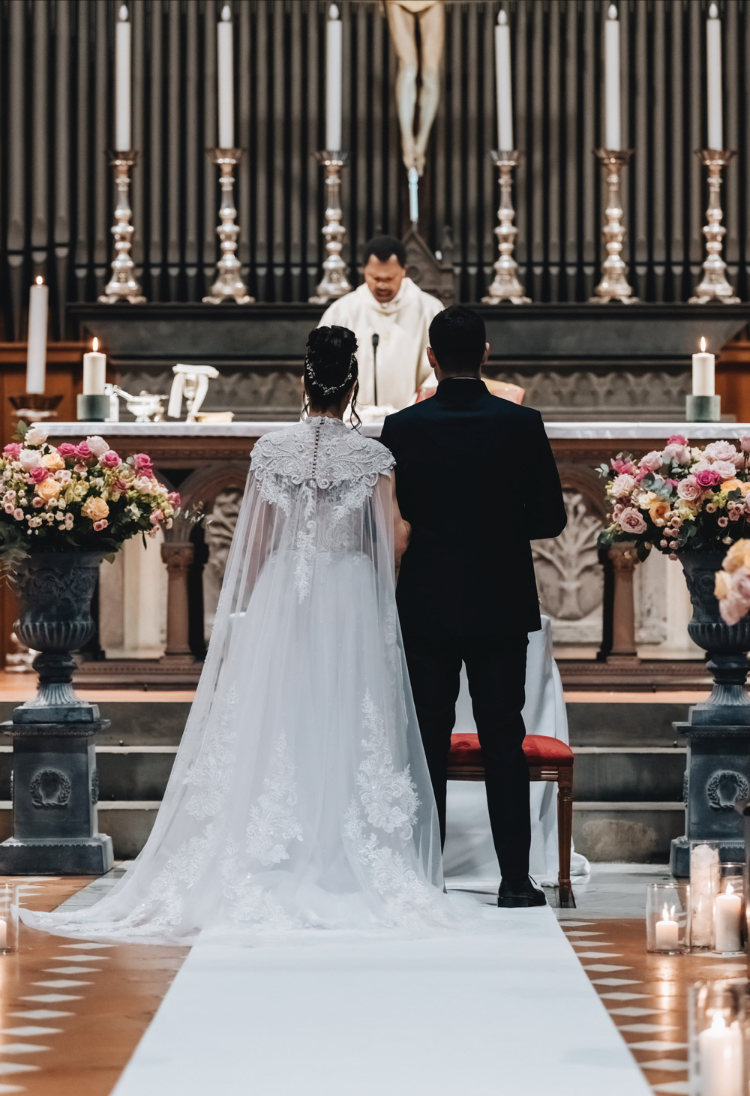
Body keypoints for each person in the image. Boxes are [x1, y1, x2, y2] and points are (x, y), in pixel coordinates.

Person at [21, 327, 455, 945]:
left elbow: (251, 547)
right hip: (349, 594)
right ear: (353, 385)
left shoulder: (270, 451)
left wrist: (256, 610)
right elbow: (397, 537)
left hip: (285, 588)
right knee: (343, 710)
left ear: (302, 383)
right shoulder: (373, 458)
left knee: (279, 713)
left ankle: (270, 848)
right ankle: (338, 845)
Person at [379, 305, 567, 908]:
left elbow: (394, 520)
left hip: (427, 600)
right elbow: (550, 519)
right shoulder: (521, 422)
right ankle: (515, 880)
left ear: (430, 359)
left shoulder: (403, 427)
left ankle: (423, 878)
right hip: (500, 599)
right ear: (486, 353)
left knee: (427, 736)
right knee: (503, 735)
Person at [319, 236, 443, 413]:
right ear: (364, 271)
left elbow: (442, 367)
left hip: (413, 422)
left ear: (403, 271)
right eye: (375, 278)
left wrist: (415, 411)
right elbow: (320, 369)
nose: (382, 285)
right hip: (352, 423)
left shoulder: (430, 309)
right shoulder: (341, 311)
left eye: (389, 278)